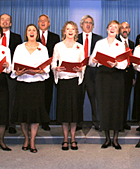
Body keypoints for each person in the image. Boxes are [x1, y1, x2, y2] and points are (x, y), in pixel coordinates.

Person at [11, 24, 51, 153]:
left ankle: (33, 141)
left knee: (35, 115)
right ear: (26, 33)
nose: (32, 32)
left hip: (37, 85)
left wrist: (41, 70)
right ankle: (26, 138)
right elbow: (13, 65)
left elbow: (47, 68)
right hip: (22, 84)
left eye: (34, 30)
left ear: (37, 34)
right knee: (23, 114)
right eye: (29, 30)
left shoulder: (43, 48)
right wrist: (17, 72)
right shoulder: (19, 47)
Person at [90, 20, 126, 150]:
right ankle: (107, 138)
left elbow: (125, 63)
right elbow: (91, 62)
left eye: (115, 27)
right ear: (107, 29)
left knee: (116, 106)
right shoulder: (99, 43)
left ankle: (115, 139)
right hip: (102, 76)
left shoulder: (121, 45)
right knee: (103, 106)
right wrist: (93, 60)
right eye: (110, 26)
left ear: (118, 31)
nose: (112, 29)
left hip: (116, 76)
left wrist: (116, 64)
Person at [52, 21, 85, 151]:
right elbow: (53, 63)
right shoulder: (58, 46)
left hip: (74, 82)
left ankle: (73, 138)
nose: (70, 31)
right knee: (64, 111)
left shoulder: (80, 46)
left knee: (74, 111)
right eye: (68, 29)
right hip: (63, 82)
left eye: (73, 29)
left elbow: (84, 64)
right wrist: (57, 68)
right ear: (64, 31)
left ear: (76, 32)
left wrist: (80, 68)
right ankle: (65, 139)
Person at [0, 13, 22, 134]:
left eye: (7, 20)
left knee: (12, 99)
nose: (5, 22)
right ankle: (0, 123)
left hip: (12, 73)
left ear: (10, 23)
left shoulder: (17, 38)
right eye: (3, 20)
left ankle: (11, 124)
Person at [77, 15, 103, 131]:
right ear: (81, 25)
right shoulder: (75, 38)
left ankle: (97, 122)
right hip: (79, 72)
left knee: (95, 100)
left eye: (91, 23)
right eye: (86, 22)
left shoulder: (99, 39)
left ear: (93, 26)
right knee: (78, 99)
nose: (88, 25)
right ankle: (77, 123)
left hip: (94, 73)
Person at [37, 14, 60, 131]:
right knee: (36, 97)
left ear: (49, 23)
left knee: (47, 97)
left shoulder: (55, 37)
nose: (42, 22)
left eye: (45, 21)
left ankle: (45, 121)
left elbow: (57, 55)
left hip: (49, 73)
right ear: (38, 23)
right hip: (34, 73)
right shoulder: (32, 36)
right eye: (40, 21)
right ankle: (36, 120)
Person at [116, 21, 134, 131]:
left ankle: (123, 121)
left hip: (128, 75)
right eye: (122, 28)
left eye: (126, 27)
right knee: (118, 100)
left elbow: (132, 62)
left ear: (129, 30)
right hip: (118, 75)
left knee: (126, 99)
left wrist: (133, 77)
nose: (124, 29)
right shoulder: (116, 43)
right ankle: (117, 123)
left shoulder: (132, 44)